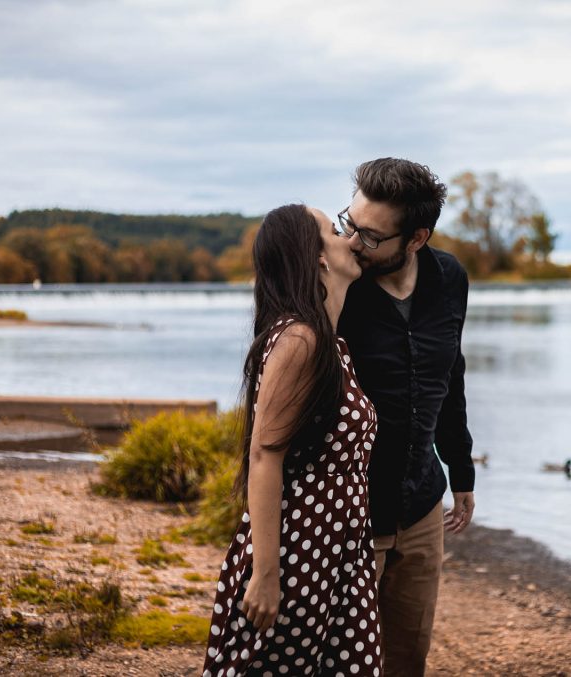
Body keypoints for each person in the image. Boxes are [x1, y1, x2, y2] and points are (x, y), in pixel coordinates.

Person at [203, 204, 382, 676]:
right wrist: (265, 574)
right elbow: (264, 456)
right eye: (334, 231)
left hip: (339, 553)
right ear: (318, 257)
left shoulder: (329, 342)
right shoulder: (301, 340)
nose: (349, 239)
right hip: (299, 551)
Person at [337, 158, 475, 676]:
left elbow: (450, 376)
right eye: (349, 223)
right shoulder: (339, 284)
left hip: (421, 504)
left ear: (415, 239)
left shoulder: (449, 278)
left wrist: (461, 472)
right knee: (343, 660)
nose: (353, 242)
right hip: (350, 510)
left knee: (407, 657)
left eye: (370, 236)